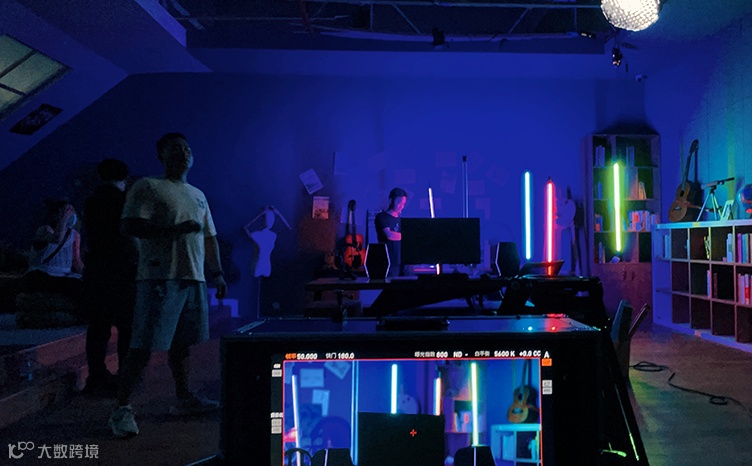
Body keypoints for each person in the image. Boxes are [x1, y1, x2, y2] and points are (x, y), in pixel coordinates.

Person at [107, 133, 227, 438]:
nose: (183, 153)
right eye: (175, 148)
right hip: (160, 276)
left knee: (183, 343)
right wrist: (174, 230)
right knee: (143, 345)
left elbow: (209, 238)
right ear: (161, 155)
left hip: (193, 277)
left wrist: (217, 274)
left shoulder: (198, 194)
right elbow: (130, 225)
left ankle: (184, 398)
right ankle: (121, 408)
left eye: (187, 148)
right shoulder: (148, 186)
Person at [82, 158, 137, 396]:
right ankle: (125, 378)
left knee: (98, 327)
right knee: (127, 327)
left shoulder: (91, 201)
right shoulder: (125, 201)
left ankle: (96, 376)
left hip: (96, 269)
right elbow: (130, 236)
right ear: (125, 178)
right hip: (123, 270)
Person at [22, 199, 85, 301]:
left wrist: (88, 274)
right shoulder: (43, 230)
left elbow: (76, 260)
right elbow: (57, 239)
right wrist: (63, 219)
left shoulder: (75, 235)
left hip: (63, 275)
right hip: (43, 273)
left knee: (78, 284)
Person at [374, 188, 407, 277]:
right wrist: (407, 235)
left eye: (403, 204)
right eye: (399, 202)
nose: (401, 206)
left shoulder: (401, 220)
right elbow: (389, 235)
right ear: (391, 200)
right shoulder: (382, 217)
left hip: (403, 262)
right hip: (389, 262)